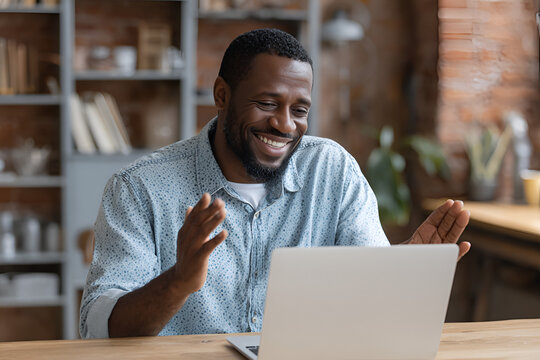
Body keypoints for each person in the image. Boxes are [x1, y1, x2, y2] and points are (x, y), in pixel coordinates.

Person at [80, 29, 471, 339]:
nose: (285, 125)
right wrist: (177, 283)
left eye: (299, 110)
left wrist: (404, 273)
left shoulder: (331, 171)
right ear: (222, 96)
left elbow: (370, 305)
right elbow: (100, 328)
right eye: (267, 104)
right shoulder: (139, 188)